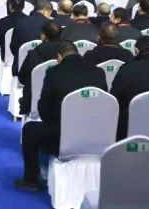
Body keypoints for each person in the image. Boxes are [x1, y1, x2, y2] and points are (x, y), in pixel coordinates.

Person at [17, 40, 106, 192]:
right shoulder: (99, 72)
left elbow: (43, 110)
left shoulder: (54, 73)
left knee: (29, 130)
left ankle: (31, 179)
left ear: (59, 56)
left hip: (62, 136)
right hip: (96, 134)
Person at [18, 21, 64, 117]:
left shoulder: (34, 54)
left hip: (35, 102)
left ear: (43, 36)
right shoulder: (68, 52)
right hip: (63, 101)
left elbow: (22, 78)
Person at [11, 1, 54, 75]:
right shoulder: (51, 25)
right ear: (46, 11)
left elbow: (13, 47)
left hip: (20, 67)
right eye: (50, 13)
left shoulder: (20, 22)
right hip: (45, 69)